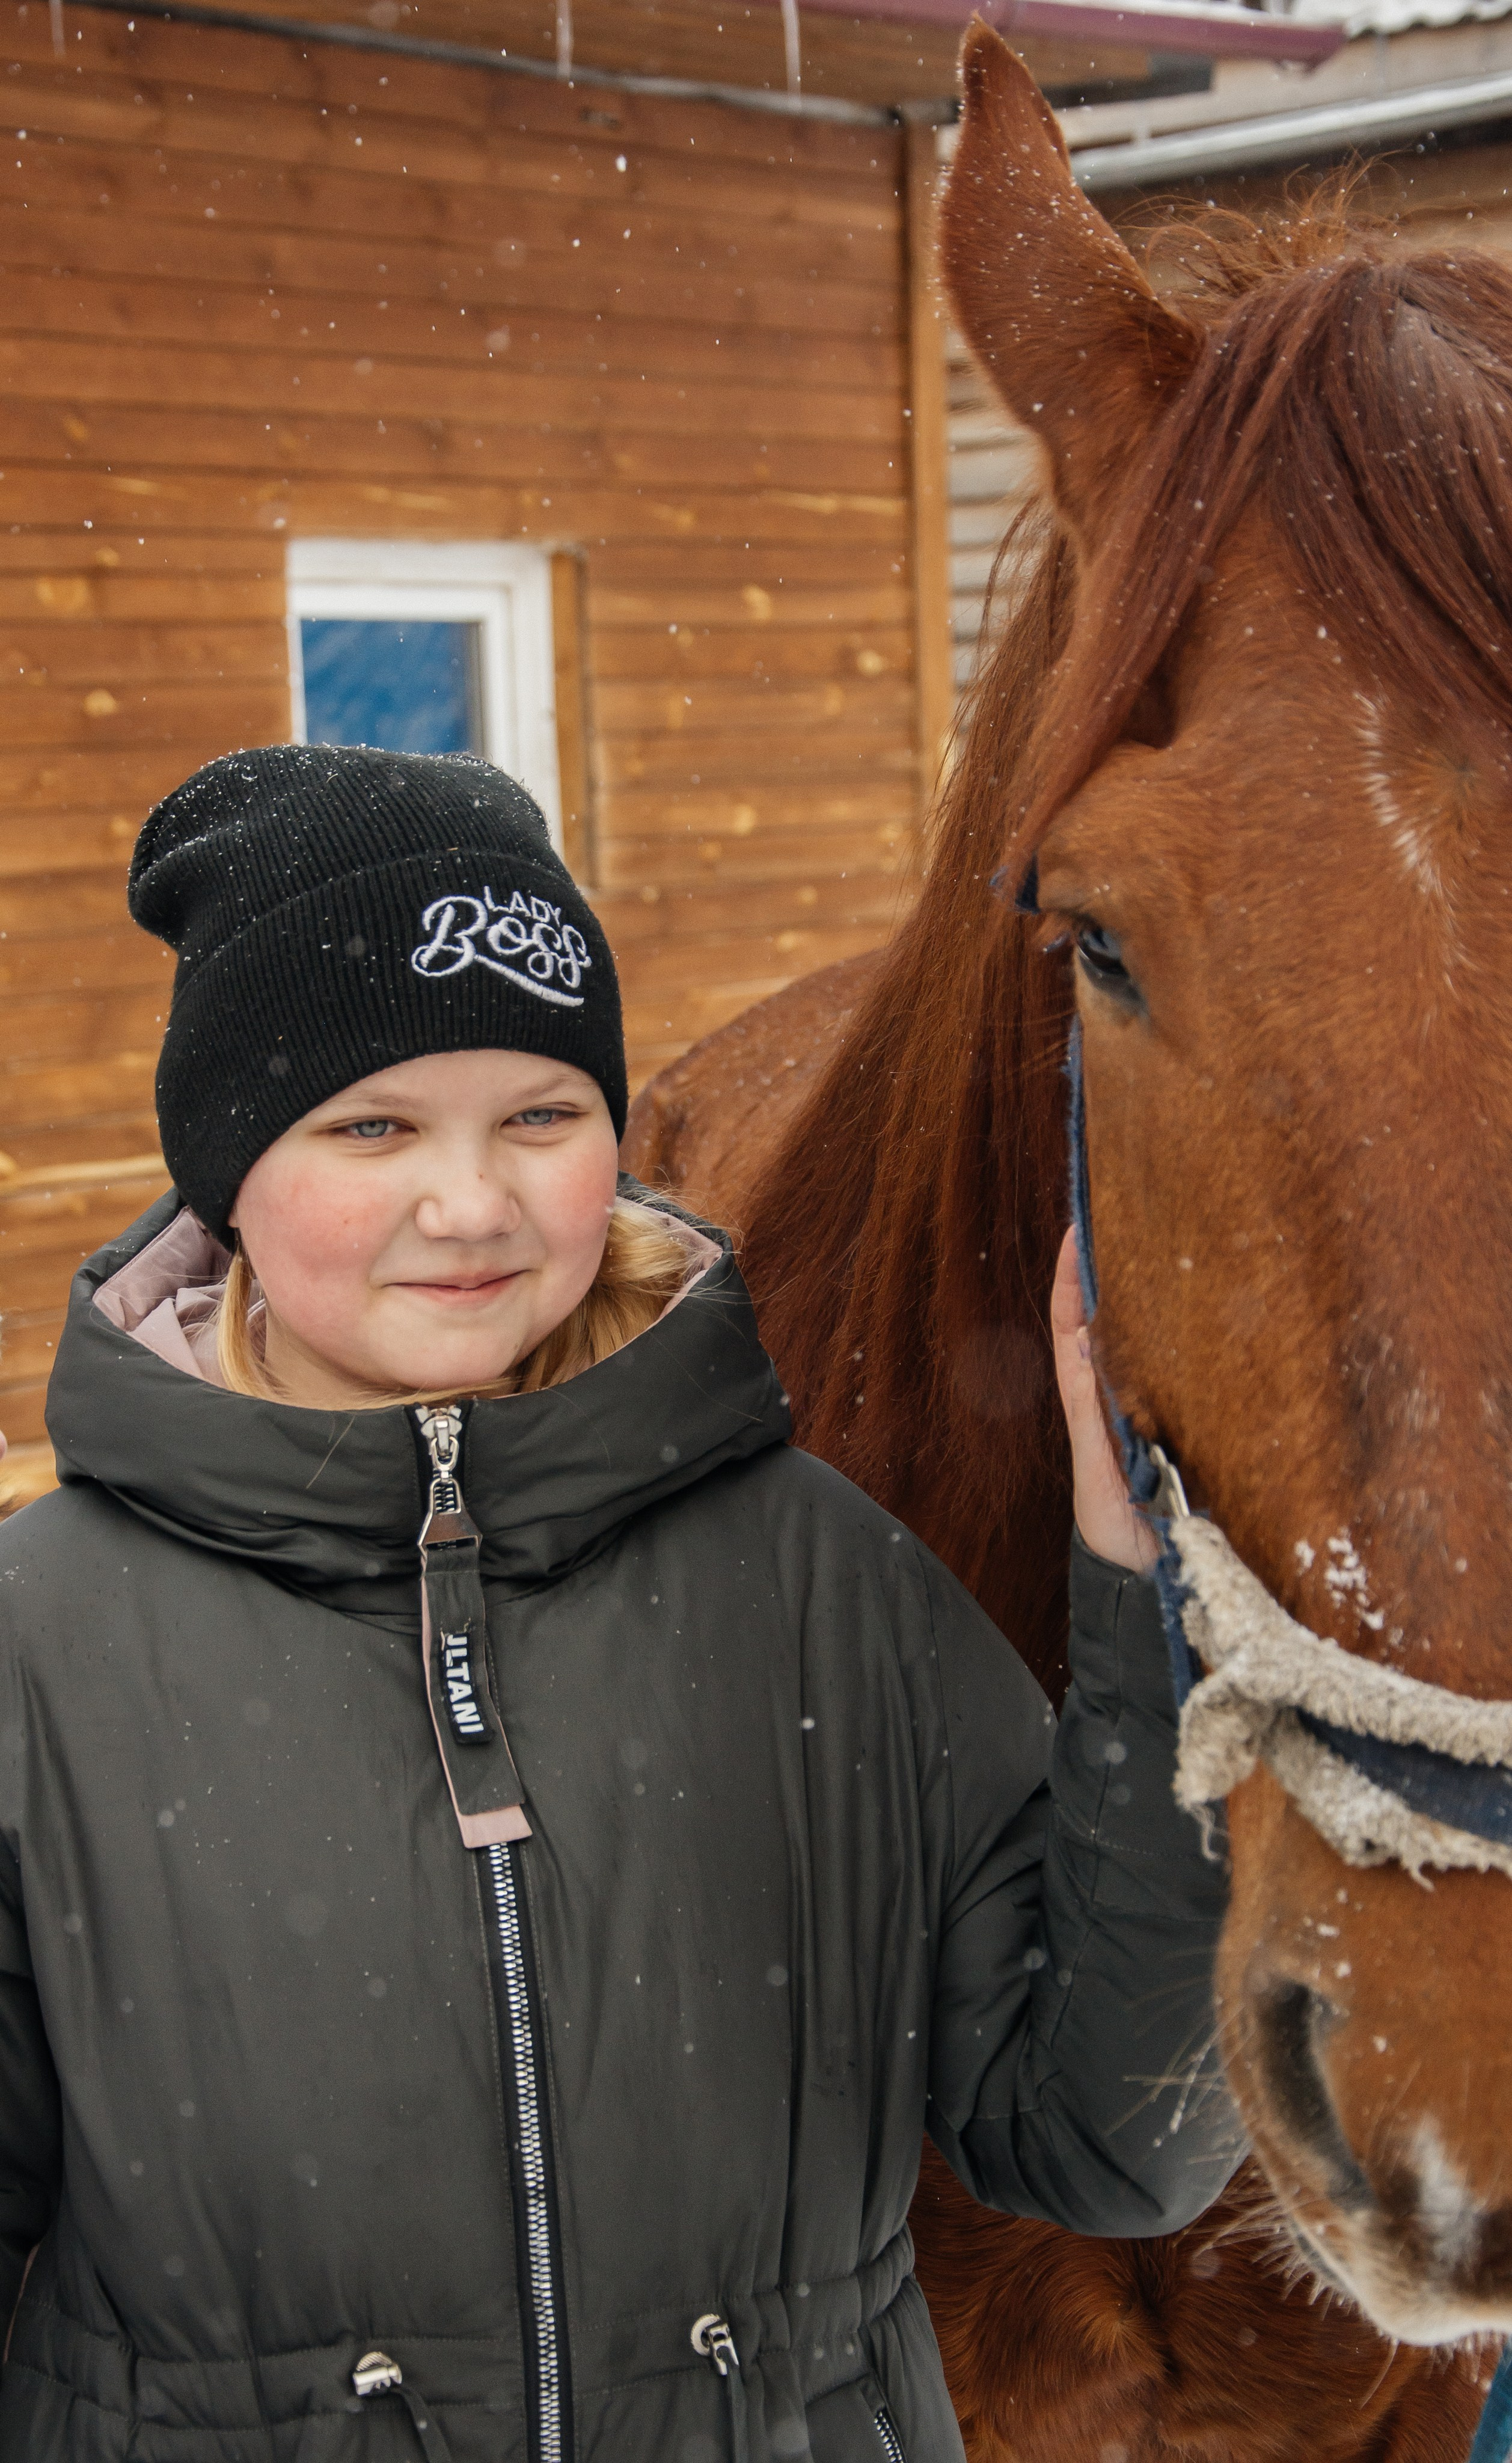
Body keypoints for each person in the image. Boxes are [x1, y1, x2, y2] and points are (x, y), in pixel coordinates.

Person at [0, 746, 1234, 2463]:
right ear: (226, 1167)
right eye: (370, 1125)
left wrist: (1145, 1613)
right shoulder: (39, 1652)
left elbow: (1111, 2139)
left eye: (540, 1115)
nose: (471, 1203)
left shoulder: (819, 1581)